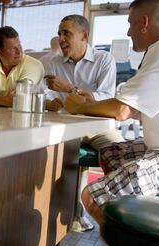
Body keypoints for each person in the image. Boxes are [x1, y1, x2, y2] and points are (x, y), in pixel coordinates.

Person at [64, 0, 159, 225]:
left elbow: (123, 110)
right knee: (108, 153)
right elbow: (136, 107)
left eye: (130, 23)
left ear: (144, 22)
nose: (128, 31)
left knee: (91, 196)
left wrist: (79, 106)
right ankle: (133, 204)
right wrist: (93, 103)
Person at [45, 15, 123, 149]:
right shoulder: (54, 63)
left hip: (97, 127)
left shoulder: (104, 60)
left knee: (121, 154)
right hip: (64, 126)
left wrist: (70, 89)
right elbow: (46, 95)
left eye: (66, 33)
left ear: (84, 36)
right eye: (59, 34)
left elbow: (107, 97)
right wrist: (50, 103)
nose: (61, 39)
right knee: (38, 149)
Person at [0, 26, 44, 107]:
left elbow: (19, 99)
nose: (19, 51)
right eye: (13, 48)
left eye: (19, 45)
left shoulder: (34, 65)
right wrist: (3, 100)